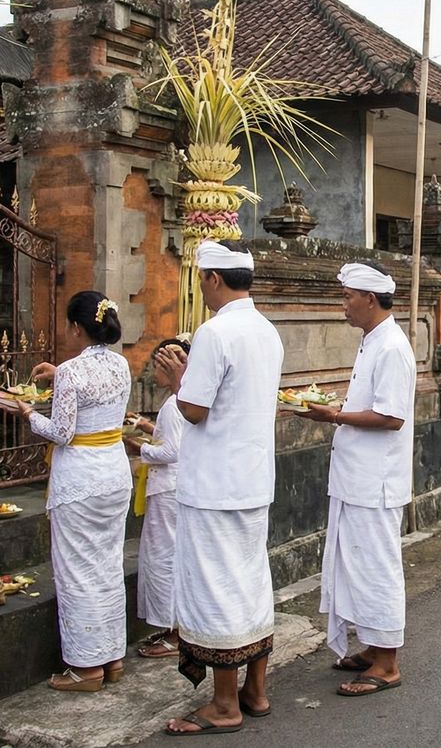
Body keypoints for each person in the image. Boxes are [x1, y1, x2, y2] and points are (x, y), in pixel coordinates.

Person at [159, 240, 284, 735]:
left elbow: (195, 409)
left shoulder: (214, 332)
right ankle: (254, 691)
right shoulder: (267, 331)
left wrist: (177, 380)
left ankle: (224, 704)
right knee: (250, 583)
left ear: (212, 279)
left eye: (201, 280)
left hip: (214, 484)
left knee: (218, 588)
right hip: (252, 479)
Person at [0, 292, 131, 691]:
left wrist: (25, 412)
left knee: (76, 569)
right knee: (107, 564)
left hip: (81, 480)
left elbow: (62, 432)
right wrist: (61, 374)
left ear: (77, 327)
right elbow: (97, 394)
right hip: (114, 472)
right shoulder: (121, 364)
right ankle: (111, 659)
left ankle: (86, 668)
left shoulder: (74, 372)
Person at [301, 262, 415, 697]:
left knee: (376, 566)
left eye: (348, 296)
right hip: (357, 477)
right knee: (354, 564)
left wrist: (334, 415)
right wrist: (337, 409)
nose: (343, 304)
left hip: (375, 481)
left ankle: (386, 662)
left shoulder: (391, 347)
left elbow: (391, 416)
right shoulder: (374, 341)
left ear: (370, 299)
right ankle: (372, 646)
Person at [124, 338, 191, 660]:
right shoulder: (182, 401)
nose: (153, 372)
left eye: (156, 365)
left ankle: (176, 632)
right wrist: (147, 426)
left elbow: (172, 451)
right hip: (174, 488)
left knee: (164, 560)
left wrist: (139, 447)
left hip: (168, 489)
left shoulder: (174, 404)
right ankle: (173, 627)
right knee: (166, 557)